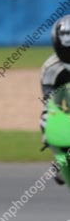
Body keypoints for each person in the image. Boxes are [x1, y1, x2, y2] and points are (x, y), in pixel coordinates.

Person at [40, 16, 70, 184]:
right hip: (68, 103)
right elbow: (49, 103)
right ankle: (62, 160)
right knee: (44, 121)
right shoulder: (51, 69)